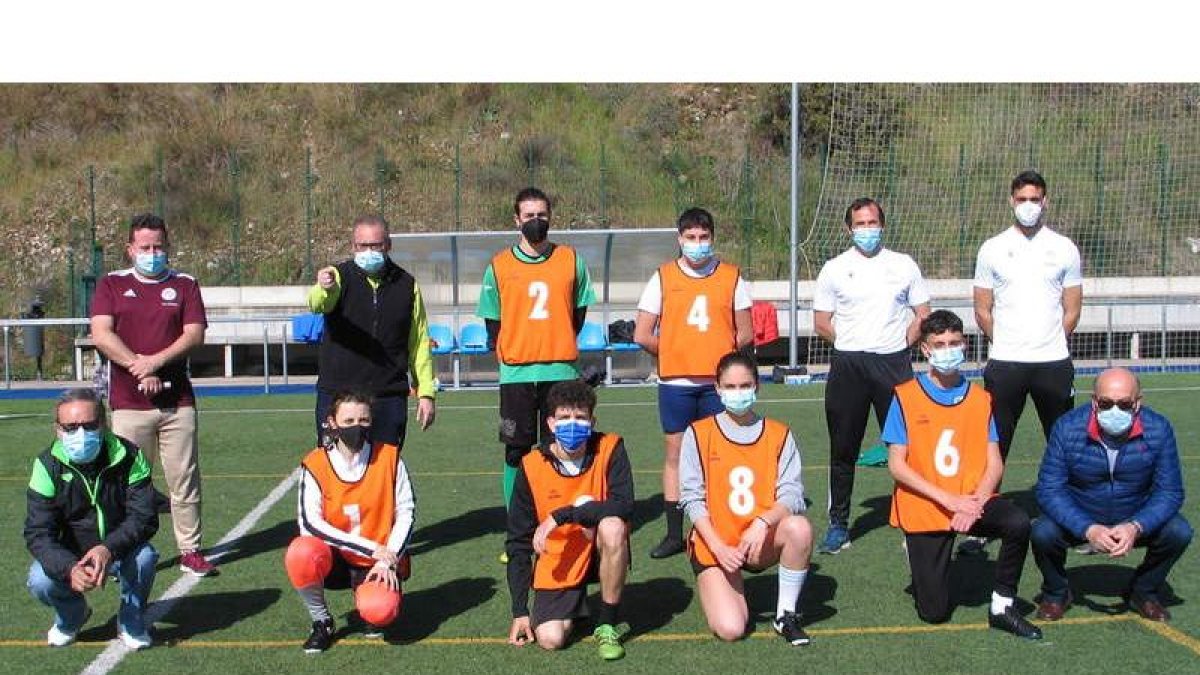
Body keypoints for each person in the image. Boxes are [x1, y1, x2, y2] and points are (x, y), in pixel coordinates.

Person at [882, 310, 1042, 639]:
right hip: (928, 503)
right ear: (925, 350)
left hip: (970, 500)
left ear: (965, 345)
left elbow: (994, 462)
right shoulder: (905, 396)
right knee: (934, 613)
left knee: (1018, 522)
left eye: (954, 342)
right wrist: (949, 500)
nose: (947, 349)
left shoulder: (981, 399)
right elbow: (897, 465)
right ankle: (917, 554)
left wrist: (975, 503)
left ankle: (1002, 605)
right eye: (939, 344)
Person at [966, 170, 1083, 557]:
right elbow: (982, 308)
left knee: (1064, 441)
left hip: (1053, 362)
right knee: (993, 443)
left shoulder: (1064, 247)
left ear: (1045, 201)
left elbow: (1072, 308)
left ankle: (1076, 520)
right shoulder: (992, 248)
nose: (1028, 205)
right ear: (1011, 201)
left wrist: (1051, 342)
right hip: (1006, 364)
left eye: (1035, 199)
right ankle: (981, 518)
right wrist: (1007, 342)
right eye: (1022, 199)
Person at [90, 213, 214, 577]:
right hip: (128, 404)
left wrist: (154, 363)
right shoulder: (111, 284)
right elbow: (101, 333)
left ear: (168, 247)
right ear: (130, 249)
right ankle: (121, 550)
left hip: (177, 403)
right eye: (144, 247)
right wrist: (137, 367)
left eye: (158, 246)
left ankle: (190, 550)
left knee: (184, 479)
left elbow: (194, 335)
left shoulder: (186, 285)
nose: (152, 253)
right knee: (126, 482)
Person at [477, 187, 596, 553]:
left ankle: (553, 526)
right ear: (516, 219)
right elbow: (492, 324)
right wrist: (515, 351)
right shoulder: (498, 266)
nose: (536, 221)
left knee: (558, 450)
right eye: (528, 215)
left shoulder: (571, 260)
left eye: (541, 214)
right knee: (516, 453)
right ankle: (518, 533)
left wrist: (555, 345)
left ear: (551, 216)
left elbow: (577, 315)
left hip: (560, 372)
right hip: (516, 374)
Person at [633, 207, 753, 560]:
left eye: (704, 238)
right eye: (691, 238)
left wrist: (726, 365)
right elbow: (642, 332)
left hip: (721, 387)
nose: (698, 244)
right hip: (677, 383)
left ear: (712, 239)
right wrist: (672, 353)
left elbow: (745, 332)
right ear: (679, 239)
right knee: (675, 455)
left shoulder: (732, 277)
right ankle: (674, 534)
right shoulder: (662, 277)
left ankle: (720, 527)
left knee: (720, 453)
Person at [813, 198, 930, 554]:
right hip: (849, 365)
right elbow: (821, 322)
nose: (867, 230)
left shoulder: (903, 265)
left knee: (906, 447)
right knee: (843, 448)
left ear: (883, 225)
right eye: (860, 224)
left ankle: (916, 523)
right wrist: (852, 344)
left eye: (873, 222)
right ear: (849, 229)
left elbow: (922, 313)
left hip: (893, 364)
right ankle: (838, 524)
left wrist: (901, 345)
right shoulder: (834, 269)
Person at [1031, 367, 1191, 623]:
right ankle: (1056, 592)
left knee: (1179, 531)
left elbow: (1170, 492)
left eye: (1124, 404)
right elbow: (1049, 489)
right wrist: (1087, 528)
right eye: (1105, 403)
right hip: (1081, 515)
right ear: (1094, 402)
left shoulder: (1159, 429)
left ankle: (1144, 590)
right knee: (1042, 532)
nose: (1114, 411)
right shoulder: (1067, 427)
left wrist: (1136, 526)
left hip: (1135, 514)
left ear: (1138, 403)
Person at [679, 352, 814, 646]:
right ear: (717, 388)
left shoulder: (779, 433)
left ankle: (785, 615)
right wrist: (717, 547)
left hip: (758, 540)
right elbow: (692, 498)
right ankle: (719, 579)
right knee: (731, 629)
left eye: (745, 385)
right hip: (716, 543)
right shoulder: (699, 433)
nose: (737, 393)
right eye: (730, 386)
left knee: (799, 528)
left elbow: (792, 494)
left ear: (757, 387)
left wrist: (762, 523)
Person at [505, 379, 633, 661]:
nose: (572, 424)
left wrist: (561, 515)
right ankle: (577, 606)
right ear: (550, 423)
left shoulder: (611, 447)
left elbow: (624, 506)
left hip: (600, 547)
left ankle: (607, 622)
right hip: (560, 556)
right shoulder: (532, 464)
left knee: (613, 525)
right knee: (550, 639)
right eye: (564, 417)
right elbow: (517, 540)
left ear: (592, 421)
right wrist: (520, 611)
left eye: (580, 417)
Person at [25, 388, 159, 650]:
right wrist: (68, 567)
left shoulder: (129, 455)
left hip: (120, 549)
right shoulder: (46, 465)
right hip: (71, 554)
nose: (81, 434)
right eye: (71, 427)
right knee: (39, 579)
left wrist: (108, 548)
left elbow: (144, 516)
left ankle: (130, 619)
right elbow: (38, 532)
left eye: (89, 425)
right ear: (57, 429)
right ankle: (72, 616)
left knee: (145, 557)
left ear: (104, 423)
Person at [284, 391, 416, 654]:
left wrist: (386, 559)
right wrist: (369, 547)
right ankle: (321, 621)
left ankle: (367, 600)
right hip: (335, 558)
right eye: (348, 420)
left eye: (363, 420)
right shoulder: (316, 464)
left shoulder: (390, 458)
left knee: (380, 611)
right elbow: (310, 523)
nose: (356, 427)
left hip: (376, 563)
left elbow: (407, 513)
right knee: (300, 552)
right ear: (332, 422)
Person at [309, 214, 436, 449]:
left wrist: (426, 392)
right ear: (353, 246)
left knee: (384, 473)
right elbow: (317, 304)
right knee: (335, 473)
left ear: (388, 245)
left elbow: (418, 342)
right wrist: (324, 288)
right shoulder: (338, 277)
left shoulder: (407, 285)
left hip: (388, 397)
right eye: (362, 246)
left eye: (375, 245)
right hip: (338, 397)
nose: (368, 252)